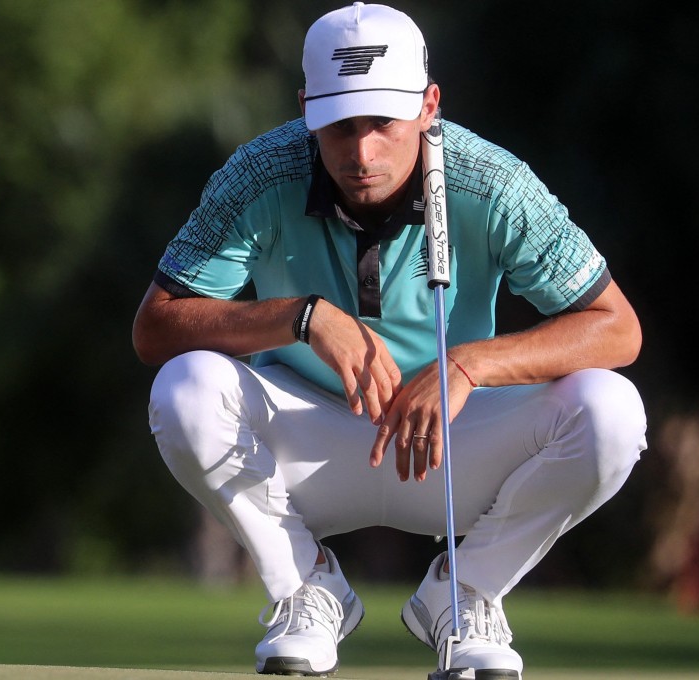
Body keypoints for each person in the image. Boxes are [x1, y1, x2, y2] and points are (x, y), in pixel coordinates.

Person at [132, 2, 647, 677]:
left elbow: (618, 327)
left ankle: (464, 595)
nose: (363, 152)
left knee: (612, 413)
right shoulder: (259, 175)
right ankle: (306, 588)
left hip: (452, 447)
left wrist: (468, 364)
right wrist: (303, 316)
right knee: (184, 389)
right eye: (340, 127)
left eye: (383, 123)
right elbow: (155, 327)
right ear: (306, 107)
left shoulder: (492, 183)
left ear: (430, 105)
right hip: (302, 442)